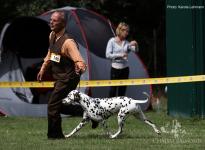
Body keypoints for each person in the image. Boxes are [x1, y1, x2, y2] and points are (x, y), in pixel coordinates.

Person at [37, 11, 97, 139]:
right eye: (51, 20)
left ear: (63, 23)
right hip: (60, 78)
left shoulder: (68, 42)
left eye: (54, 20)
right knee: (60, 106)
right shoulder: (52, 35)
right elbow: (50, 52)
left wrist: (80, 67)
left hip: (69, 79)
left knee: (52, 105)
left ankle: (55, 135)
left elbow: (80, 61)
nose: (51, 22)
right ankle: (91, 113)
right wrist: (43, 68)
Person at [106, 22, 138, 97]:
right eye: (125, 31)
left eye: (127, 31)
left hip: (125, 69)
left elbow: (135, 50)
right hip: (115, 69)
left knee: (122, 91)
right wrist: (120, 55)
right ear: (120, 30)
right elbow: (108, 55)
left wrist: (136, 44)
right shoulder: (112, 41)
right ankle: (111, 108)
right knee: (113, 91)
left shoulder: (126, 43)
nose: (127, 33)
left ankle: (120, 108)